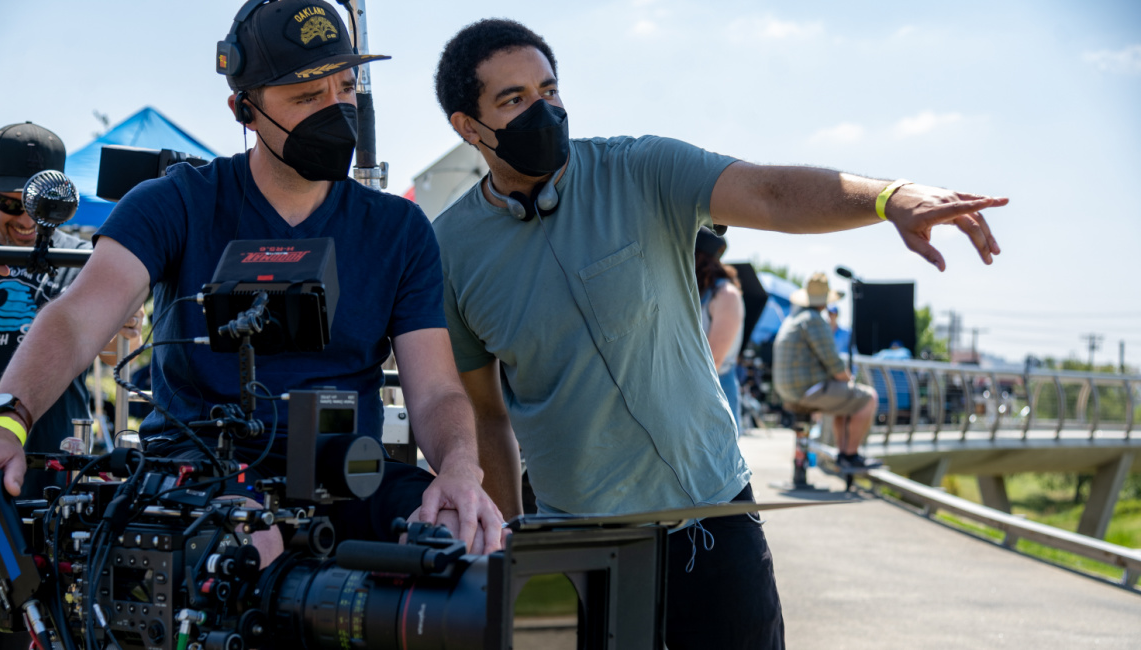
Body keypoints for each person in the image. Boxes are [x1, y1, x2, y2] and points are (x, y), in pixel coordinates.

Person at [430, 18, 1005, 649]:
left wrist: (887, 198)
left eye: (549, 89)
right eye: (513, 100)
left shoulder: (639, 169)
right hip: (575, 548)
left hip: (715, 520)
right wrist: (519, 546)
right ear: (468, 126)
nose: (543, 110)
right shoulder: (449, 250)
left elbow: (771, 192)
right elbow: (485, 413)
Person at [0, 0, 502, 561]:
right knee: (248, 543)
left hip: (346, 472)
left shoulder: (398, 228)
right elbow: (76, 318)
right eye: (308, 96)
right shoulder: (177, 203)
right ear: (245, 109)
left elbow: (436, 391)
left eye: (346, 88)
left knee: (462, 538)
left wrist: (457, 471)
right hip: (199, 470)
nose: (337, 110)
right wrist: (3, 420)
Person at [0, 122, 142, 650]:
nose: (26, 219)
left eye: (41, 201)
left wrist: (125, 319)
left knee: (39, 639)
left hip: (44, 495)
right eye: (11, 201)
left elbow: (111, 347)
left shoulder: (86, 263)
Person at [773, 273, 879, 468]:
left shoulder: (794, 318)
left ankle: (844, 454)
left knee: (846, 401)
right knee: (869, 398)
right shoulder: (814, 320)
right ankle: (849, 455)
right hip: (805, 390)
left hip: (787, 390)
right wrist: (849, 380)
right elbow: (835, 364)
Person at [694, 226, 745, 429]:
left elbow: (713, 361)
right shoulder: (699, 291)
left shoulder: (726, 295)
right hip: (696, 388)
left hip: (715, 392)